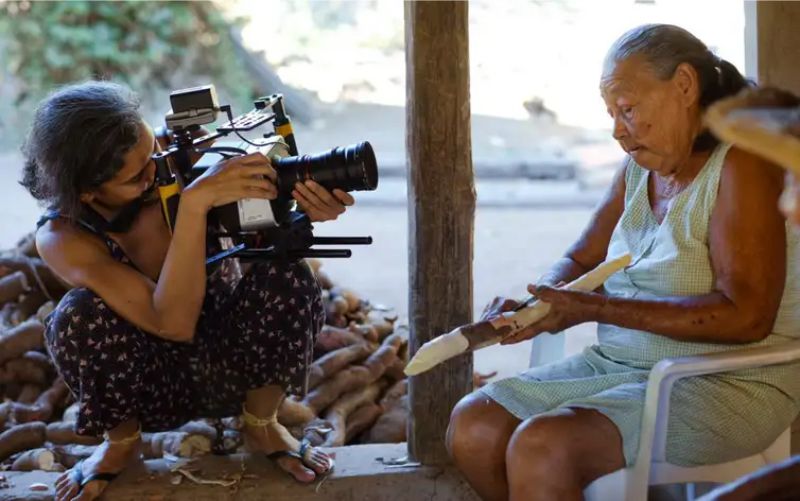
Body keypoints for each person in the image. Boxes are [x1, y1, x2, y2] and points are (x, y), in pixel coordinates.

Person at [446, 24, 800, 501]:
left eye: (628, 110)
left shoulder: (742, 165)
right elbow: (580, 257)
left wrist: (594, 309)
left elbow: (747, 316)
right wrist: (543, 302)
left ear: (684, 86)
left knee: (543, 445)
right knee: (474, 425)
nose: (617, 130)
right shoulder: (639, 168)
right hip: (620, 365)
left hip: (721, 380)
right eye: (612, 114)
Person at [22, 81, 353, 501]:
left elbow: (266, 209)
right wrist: (194, 204)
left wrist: (305, 206)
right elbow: (172, 324)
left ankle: (262, 424)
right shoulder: (63, 236)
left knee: (289, 275)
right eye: (138, 176)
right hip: (147, 385)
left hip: (235, 364)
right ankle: (121, 444)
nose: (157, 170)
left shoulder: (176, 157)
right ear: (87, 192)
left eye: (153, 154)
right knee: (76, 315)